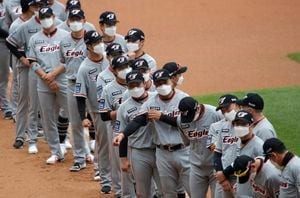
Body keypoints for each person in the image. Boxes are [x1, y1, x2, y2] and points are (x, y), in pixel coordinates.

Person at [114, 69, 191, 197]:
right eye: (158, 83)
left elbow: (188, 123)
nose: (162, 86)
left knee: (188, 189)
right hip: (156, 151)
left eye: (164, 82)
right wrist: (123, 135)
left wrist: (162, 117)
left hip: (181, 150)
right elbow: (138, 120)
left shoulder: (184, 99)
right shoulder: (150, 103)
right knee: (158, 192)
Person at [146, 96, 222, 197]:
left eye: (190, 115)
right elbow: (188, 142)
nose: (188, 119)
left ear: (198, 108)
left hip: (215, 166)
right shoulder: (181, 121)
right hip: (196, 167)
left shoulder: (215, 114)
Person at [6, 0, 51, 150]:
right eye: (36, 6)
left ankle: (47, 133)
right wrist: (22, 58)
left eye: (41, 6)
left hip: (43, 67)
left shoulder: (49, 23)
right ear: (30, 7)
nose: (39, 9)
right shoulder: (21, 25)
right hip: (25, 68)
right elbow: (10, 43)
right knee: (23, 101)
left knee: (44, 102)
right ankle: (20, 136)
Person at [27, 6, 68, 163]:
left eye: (47, 17)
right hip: (43, 83)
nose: (45, 20)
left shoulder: (65, 36)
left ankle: (83, 152)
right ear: (39, 20)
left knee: (73, 115)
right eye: (42, 17)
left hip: (62, 80)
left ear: (53, 17)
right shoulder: (34, 39)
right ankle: (56, 152)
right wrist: (46, 77)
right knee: (47, 118)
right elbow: (32, 61)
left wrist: (52, 76)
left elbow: (68, 60)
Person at [113, 70, 162, 198]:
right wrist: (123, 159)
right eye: (131, 86)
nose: (135, 88)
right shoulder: (123, 107)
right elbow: (122, 134)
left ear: (145, 83)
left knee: (165, 190)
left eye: (138, 85)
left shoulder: (157, 97)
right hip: (139, 152)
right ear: (127, 87)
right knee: (143, 192)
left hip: (160, 150)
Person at [73, 30, 112, 193]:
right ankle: (104, 178)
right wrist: (83, 117)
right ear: (88, 46)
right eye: (95, 43)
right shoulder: (84, 68)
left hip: (117, 111)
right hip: (99, 113)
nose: (99, 45)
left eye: (100, 41)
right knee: (103, 146)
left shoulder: (110, 61)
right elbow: (80, 95)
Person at [59, 9, 94, 171]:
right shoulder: (64, 42)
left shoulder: (92, 41)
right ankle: (79, 158)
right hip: (72, 84)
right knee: (76, 122)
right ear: (67, 22)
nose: (75, 22)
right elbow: (63, 62)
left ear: (84, 20)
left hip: (92, 85)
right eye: (72, 19)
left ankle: (101, 163)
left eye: (78, 19)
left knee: (98, 121)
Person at [99, 55, 135, 198]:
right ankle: (120, 193)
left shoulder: (137, 84)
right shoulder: (108, 89)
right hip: (116, 129)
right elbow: (104, 115)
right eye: (121, 68)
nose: (125, 70)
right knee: (119, 163)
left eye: (126, 66)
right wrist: (121, 111)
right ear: (113, 70)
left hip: (137, 130)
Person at [217, 110, 264, 197]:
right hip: (235, 185)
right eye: (237, 124)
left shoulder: (259, 146)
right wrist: (225, 176)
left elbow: (264, 172)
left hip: (250, 191)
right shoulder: (237, 141)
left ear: (251, 125)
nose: (239, 127)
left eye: (243, 124)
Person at [213, 94, 240, 198]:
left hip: (241, 178)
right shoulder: (224, 127)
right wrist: (222, 177)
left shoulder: (249, 127)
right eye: (223, 110)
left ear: (237, 105)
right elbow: (217, 153)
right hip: (224, 177)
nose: (225, 112)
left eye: (227, 108)